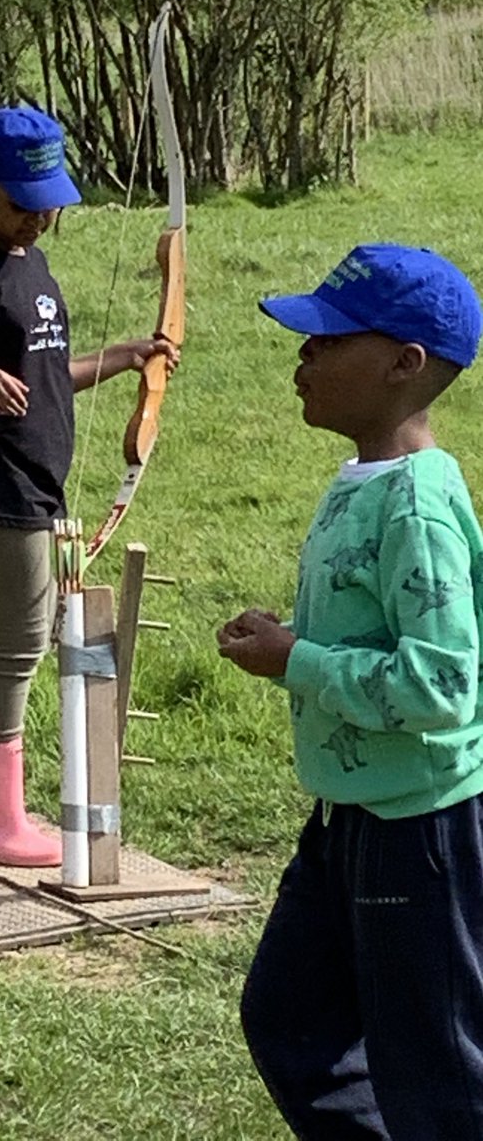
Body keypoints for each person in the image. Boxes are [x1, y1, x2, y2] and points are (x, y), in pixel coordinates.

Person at [217, 243, 483, 1139]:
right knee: (291, 1018)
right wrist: (293, 643)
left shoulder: (416, 505)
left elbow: (443, 686)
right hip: (347, 820)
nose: (303, 360)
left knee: (436, 1072)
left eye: (327, 343)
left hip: (420, 832)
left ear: (405, 364)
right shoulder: (366, 483)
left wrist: (296, 660)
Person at [0, 105, 178, 868]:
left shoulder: (36, 269)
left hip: (35, 482)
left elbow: (49, 379)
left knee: (6, 640)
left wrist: (122, 358)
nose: (36, 220)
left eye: (47, 204)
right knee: (20, 645)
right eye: (21, 204)